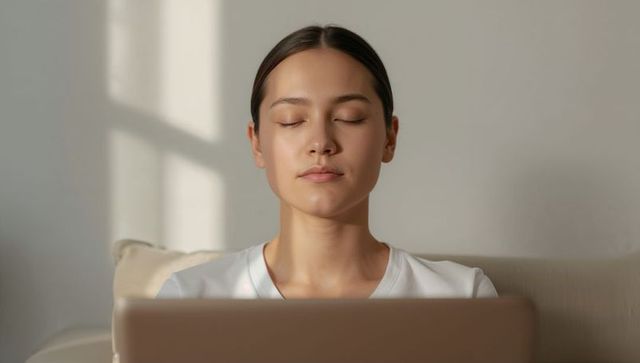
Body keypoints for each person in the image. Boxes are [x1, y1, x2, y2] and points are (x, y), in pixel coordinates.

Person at [156, 24, 498, 300]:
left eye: (349, 117)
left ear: (389, 138)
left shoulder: (460, 297)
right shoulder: (189, 299)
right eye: (291, 120)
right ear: (257, 143)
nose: (321, 143)